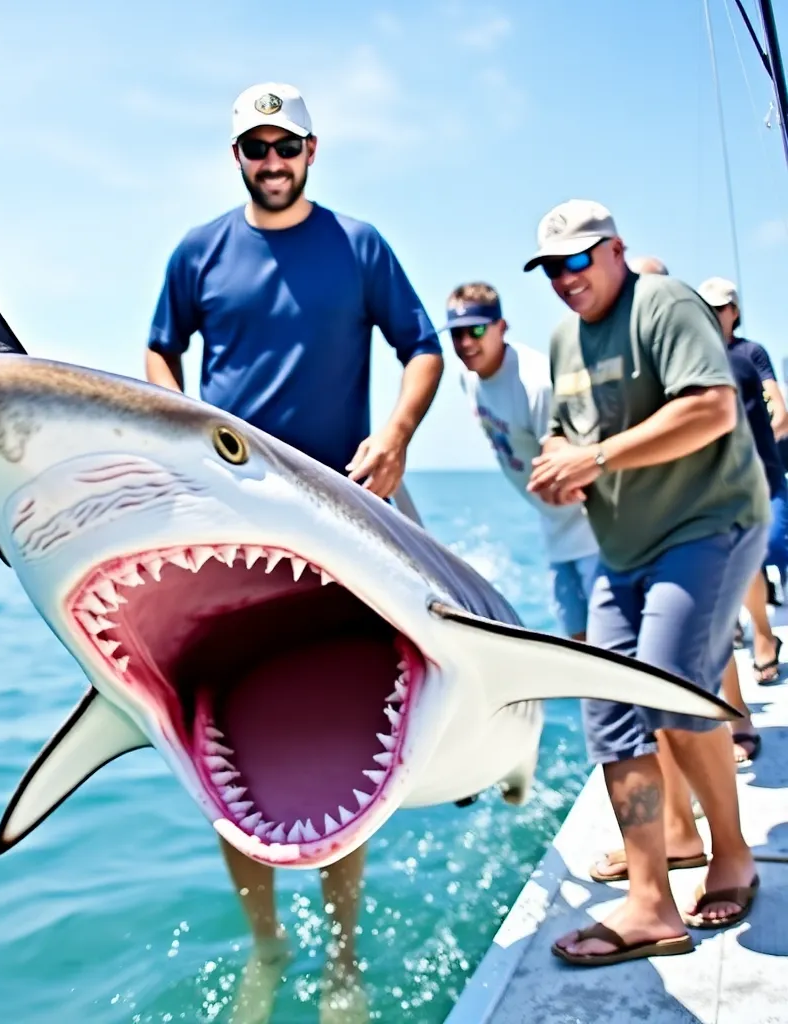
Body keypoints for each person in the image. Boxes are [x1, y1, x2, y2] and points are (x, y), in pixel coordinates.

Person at [145, 81, 443, 1020]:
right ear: (237, 156)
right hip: (230, 519)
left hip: (334, 516)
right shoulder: (198, 251)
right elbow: (160, 351)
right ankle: (268, 951)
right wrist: (176, 422)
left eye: (286, 146)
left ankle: (345, 958)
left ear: (313, 151)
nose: (270, 162)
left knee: (339, 736)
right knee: (233, 733)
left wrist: (394, 438)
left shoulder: (360, 247)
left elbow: (423, 346)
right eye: (254, 148)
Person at [523, 199, 768, 967]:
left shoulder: (664, 303)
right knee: (607, 707)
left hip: (709, 524)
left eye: (579, 260)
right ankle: (651, 900)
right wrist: (560, 461)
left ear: (617, 250)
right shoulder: (565, 338)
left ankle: (733, 855)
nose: (567, 279)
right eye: (552, 268)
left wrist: (592, 461)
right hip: (623, 549)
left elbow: (713, 408)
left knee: (669, 683)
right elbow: (575, 429)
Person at [448, 282, 599, 640]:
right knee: (580, 645)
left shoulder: (535, 383)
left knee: (616, 646)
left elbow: (564, 459)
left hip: (594, 532)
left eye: (477, 329)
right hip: (553, 529)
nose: (467, 342)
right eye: (457, 333)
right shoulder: (466, 376)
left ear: (501, 327)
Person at [699, 276, 788, 687]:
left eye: (721, 307)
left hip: (757, 477)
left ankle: (763, 637)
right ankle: (748, 631)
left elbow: (779, 412)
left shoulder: (751, 353)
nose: (715, 315)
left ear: (734, 310)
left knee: (762, 550)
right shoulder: (693, 355)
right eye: (708, 307)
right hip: (710, 484)